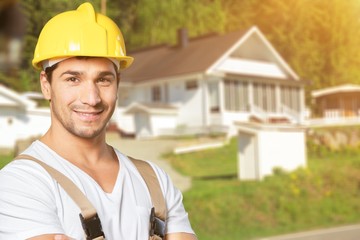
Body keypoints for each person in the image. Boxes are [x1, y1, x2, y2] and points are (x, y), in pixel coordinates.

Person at [0, 2, 197, 240]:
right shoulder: (20, 183)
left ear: (117, 83)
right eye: (73, 79)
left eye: (103, 80)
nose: (91, 99)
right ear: (46, 85)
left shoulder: (154, 181)